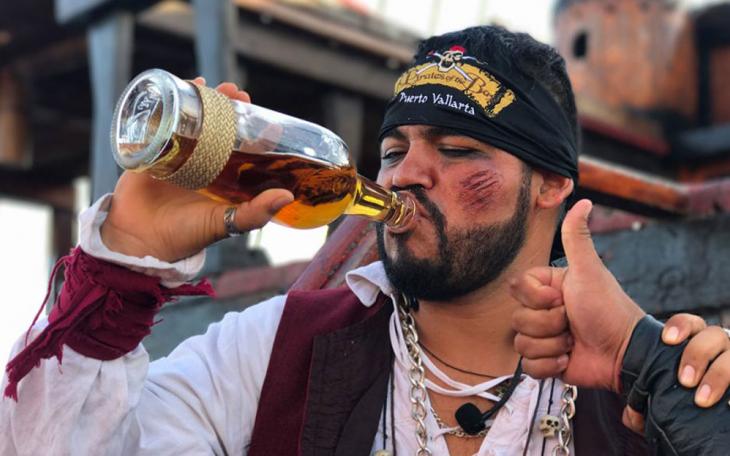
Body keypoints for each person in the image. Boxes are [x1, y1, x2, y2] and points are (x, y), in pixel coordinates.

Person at [1, 25, 729, 455]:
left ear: (550, 185)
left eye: (457, 150)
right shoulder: (276, 349)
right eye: (393, 150)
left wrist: (666, 380)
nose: (406, 173)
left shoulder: (636, 377)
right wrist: (124, 264)